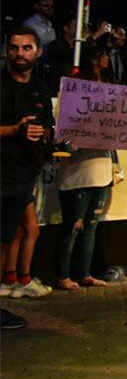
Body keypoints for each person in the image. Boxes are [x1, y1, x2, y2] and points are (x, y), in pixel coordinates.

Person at [1, 28, 56, 330]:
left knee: (5, 240)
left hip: (23, 177)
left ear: (38, 52)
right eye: (13, 48)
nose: (19, 53)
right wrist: (14, 131)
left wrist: (49, 139)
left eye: (26, 48)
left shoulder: (40, 88)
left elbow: (46, 128)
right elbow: (16, 130)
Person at [54, 44, 115, 291]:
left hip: (101, 171)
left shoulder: (111, 101)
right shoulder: (72, 100)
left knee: (90, 227)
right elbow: (62, 140)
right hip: (77, 173)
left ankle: (84, 272)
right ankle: (62, 274)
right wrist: (74, 142)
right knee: (73, 226)